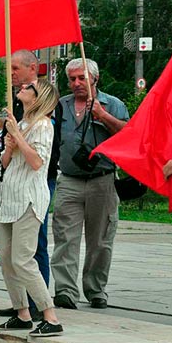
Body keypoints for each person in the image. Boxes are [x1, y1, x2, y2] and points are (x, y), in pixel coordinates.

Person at [51, 58, 128, 310]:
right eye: (72, 79)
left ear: (94, 78)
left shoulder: (113, 104)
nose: (76, 83)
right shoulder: (60, 105)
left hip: (102, 180)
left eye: (81, 78)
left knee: (101, 240)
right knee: (65, 237)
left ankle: (95, 289)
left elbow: (128, 135)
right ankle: (65, 291)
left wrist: (102, 116)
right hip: (70, 179)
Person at [0, 50, 62, 322]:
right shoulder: (20, 122)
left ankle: (49, 314)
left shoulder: (44, 125)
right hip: (10, 196)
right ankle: (21, 311)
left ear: (39, 97)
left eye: (29, 87)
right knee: (8, 261)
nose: (22, 88)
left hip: (29, 198)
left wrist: (18, 139)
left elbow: (38, 162)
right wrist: (10, 146)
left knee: (23, 259)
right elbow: (5, 161)